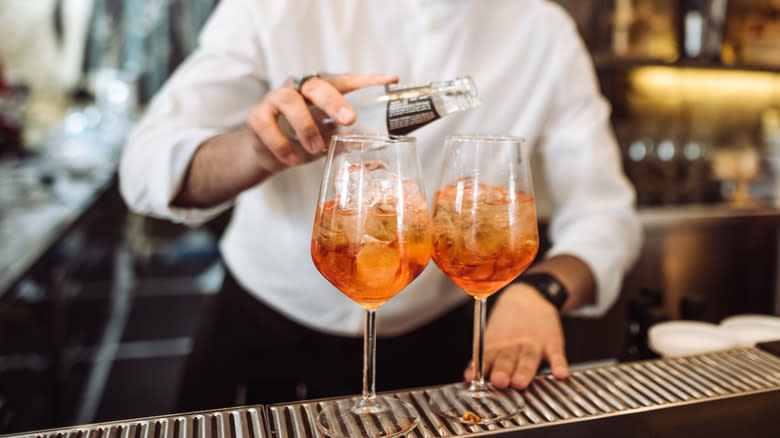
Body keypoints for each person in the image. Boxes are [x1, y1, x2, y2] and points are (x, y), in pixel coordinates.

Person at [119, 0, 642, 411]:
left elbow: (605, 213)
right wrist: (259, 150)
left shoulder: (543, 32)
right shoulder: (275, 6)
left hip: (437, 346)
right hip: (264, 332)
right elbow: (145, 170)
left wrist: (540, 291)